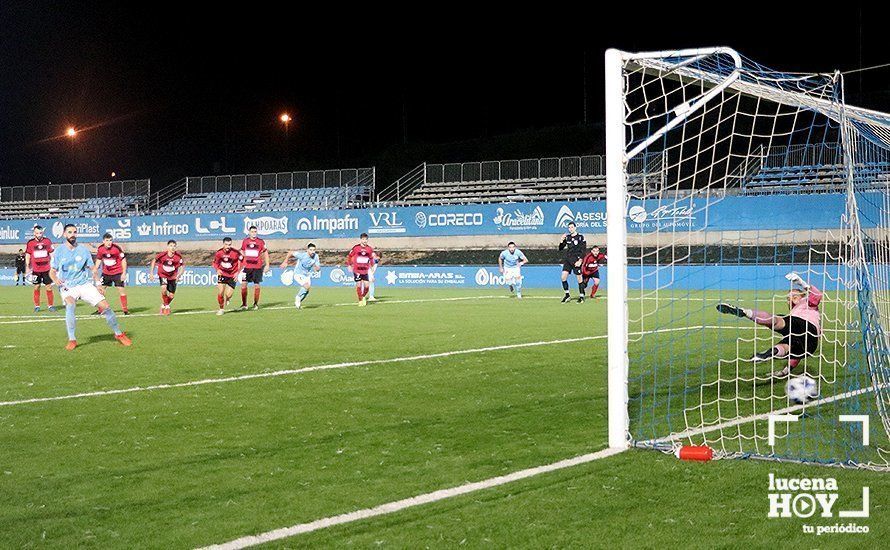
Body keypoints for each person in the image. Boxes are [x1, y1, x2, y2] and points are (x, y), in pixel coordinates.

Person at [716, 271, 822, 377]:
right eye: (788, 299)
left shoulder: (806, 303)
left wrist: (801, 282)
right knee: (786, 347)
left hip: (806, 326)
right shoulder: (795, 313)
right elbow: (797, 354)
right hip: (810, 347)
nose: (791, 301)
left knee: (777, 320)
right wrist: (786, 371)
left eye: (795, 297)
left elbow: (817, 295)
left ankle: (744, 312)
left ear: (802, 297)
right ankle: (766, 355)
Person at [49, 224, 131, 350]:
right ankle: (72, 339)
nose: (73, 234)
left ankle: (118, 334)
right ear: (64, 234)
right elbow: (52, 271)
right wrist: (55, 279)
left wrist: (98, 283)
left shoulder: (83, 250)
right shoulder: (59, 251)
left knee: (106, 307)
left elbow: (93, 269)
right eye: (70, 232)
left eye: (75, 232)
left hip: (84, 284)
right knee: (70, 305)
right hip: (67, 286)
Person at [93, 233, 129, 315]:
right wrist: (95, 268)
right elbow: (99, 259)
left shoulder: (116, 249)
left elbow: (123, 260)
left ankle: (125, 310)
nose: (109, 242)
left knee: (121, 290)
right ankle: (100, 309)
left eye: (110, 240)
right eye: (107, 240)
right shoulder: (101, 249)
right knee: (101, 290)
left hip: (117, 272)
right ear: (103, 241)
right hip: (106, 273)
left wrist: (124, 273)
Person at [148, 240, 184, 316]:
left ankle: (164, 304)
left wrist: (179, 275)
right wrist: (151, 273)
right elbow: (154, 261)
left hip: (173, 276)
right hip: (163, 274)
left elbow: (182, 266)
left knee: (171, 295)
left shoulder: (178, 256)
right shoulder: (162, 255)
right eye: (171, 246)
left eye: (174, 246)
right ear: (167, 247)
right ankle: (167, 306)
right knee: (164, 289)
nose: (172, 247)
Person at [25, 225, 56, 312]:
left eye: (40, 233)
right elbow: (28, 254)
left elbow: (52, 253)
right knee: (37, 287)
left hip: (47, 269)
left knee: (49, 287)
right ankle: (37, 306)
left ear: (43, 233)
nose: (39, 234)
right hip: (36, 269)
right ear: (34, 233)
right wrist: (27, 265)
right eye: (37, 233)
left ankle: (50, 306)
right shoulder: (30, 243)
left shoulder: (47, 241)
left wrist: (54, 265)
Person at [280, 243, 320, 309]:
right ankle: (298, 297)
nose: (312, 251)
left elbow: (317, 267)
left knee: (307, 291)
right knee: (306, 286)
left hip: (307, 275)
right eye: (311, 250)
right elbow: (290, 253)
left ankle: (298, 302)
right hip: (298, 274)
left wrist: (317, 268)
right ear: (307, 250)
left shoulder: (316, 256)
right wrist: (285, 261)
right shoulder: (302, 255)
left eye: (314, 250)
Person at [239, 226, 270, 310]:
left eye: (255, 231)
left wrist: (267, 265)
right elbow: (241, 250)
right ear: (249, 232)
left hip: (257, 267)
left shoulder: (260, 242)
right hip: (247, 267)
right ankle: (244, 304)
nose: (254, 233)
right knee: (243, 285)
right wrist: (243, 255)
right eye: (252, 231)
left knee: (257, 286)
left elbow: (265, 253)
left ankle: (255, 304)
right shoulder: (245, 241)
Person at [213, 237, 243, 315]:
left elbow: (243, 261)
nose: (228, 246)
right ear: (223, 244)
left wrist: (238, 272)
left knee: (228, 295)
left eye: (229, 245)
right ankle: (221, 309)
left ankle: (228, 298)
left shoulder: (235, 253)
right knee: (220, 292)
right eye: (226, 244)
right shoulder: (219, 253)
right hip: (222, 273)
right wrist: (217, 269)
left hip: (232, 275)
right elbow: (215, 263)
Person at [558, 221, 586, 303]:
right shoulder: (567, 237)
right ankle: (567, 295)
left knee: (579, 278)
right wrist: (561, 240)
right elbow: (560, 248)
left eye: (572, 227)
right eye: (569, 227)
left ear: (575, 227)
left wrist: (580, 260)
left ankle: (581, 296)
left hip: (576, 260)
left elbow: (583, 250)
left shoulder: (581, 237)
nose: (570, 229)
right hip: (568, 260)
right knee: (563, 277)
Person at [346, 233, 375, 306]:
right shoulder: (356, 248)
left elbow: (371, 258)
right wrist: (349, 265)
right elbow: (349, 256)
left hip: (365, 270)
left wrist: (372, 266)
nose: (365, 241)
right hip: (357, 270)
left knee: (367, 286)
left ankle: (363, 296)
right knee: (359, 285)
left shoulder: (369, 249)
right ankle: (360, 300)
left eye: (366, 239)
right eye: (363, 239)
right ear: (360, 240)